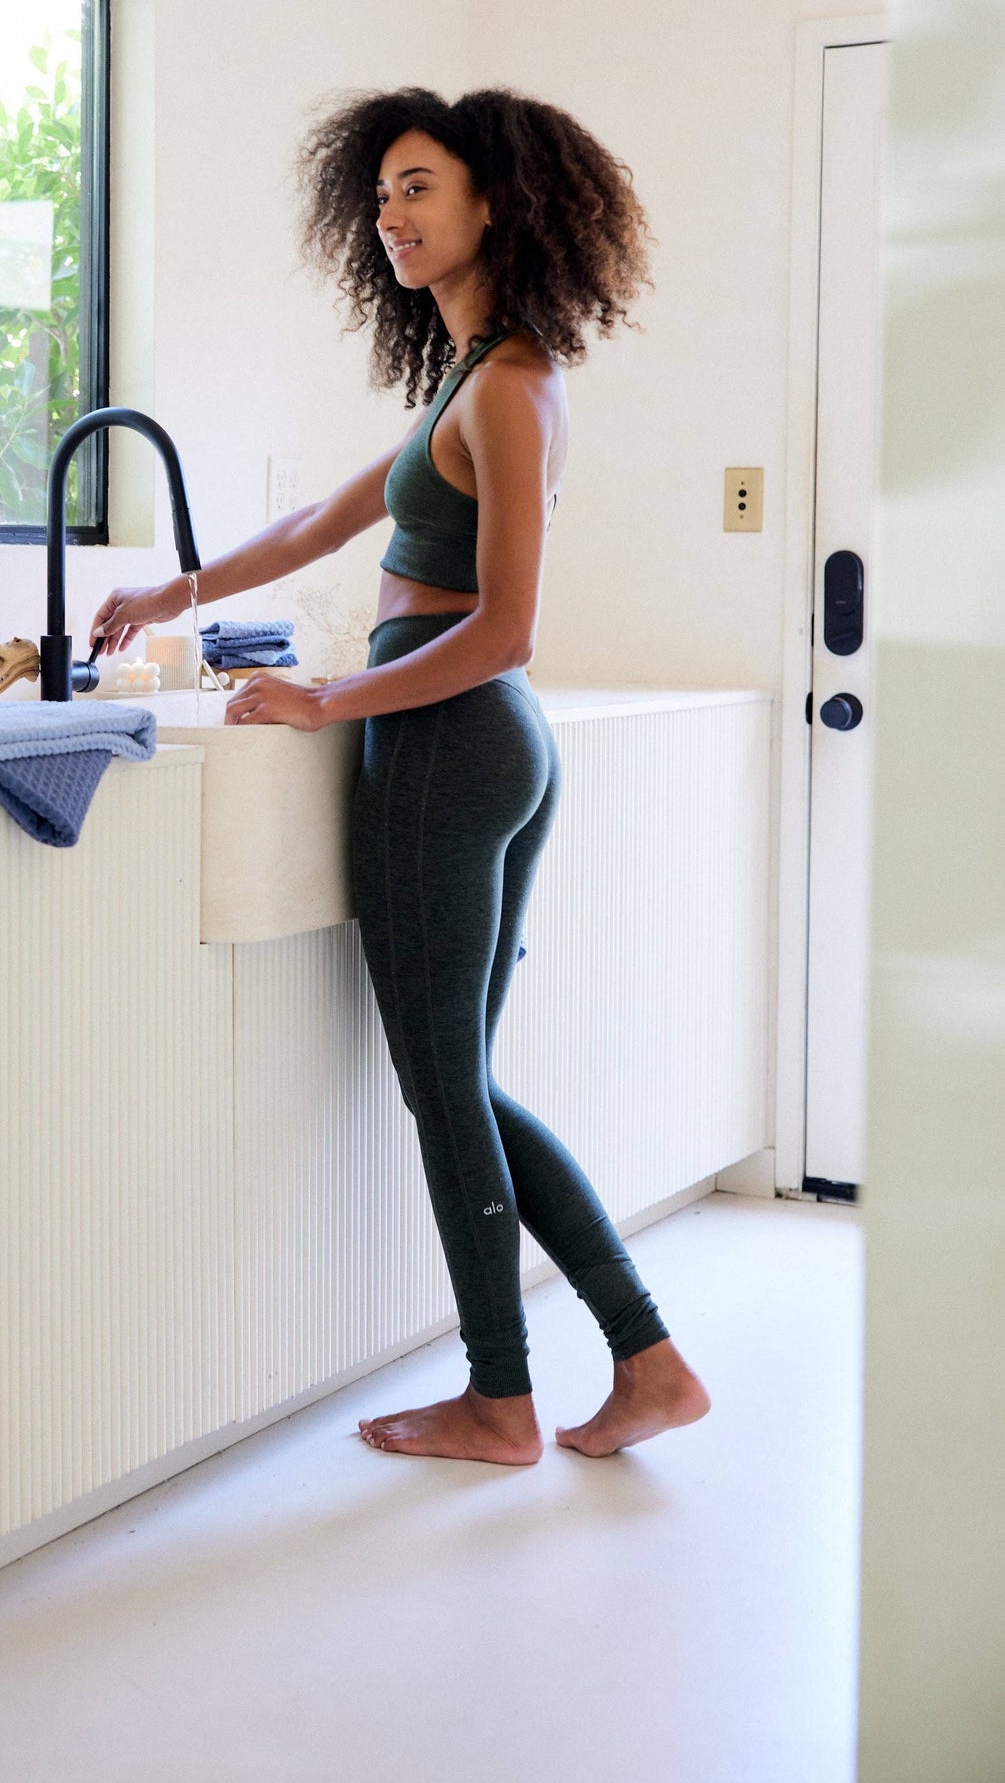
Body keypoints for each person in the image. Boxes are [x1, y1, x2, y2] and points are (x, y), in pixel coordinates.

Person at [90, 86, 710, 1465]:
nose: (391, 215)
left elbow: (503, 626)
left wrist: (330, 698)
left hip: (448, 736)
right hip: (470, 738)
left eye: (419, 187)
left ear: (495, 202)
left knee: (444, 1086)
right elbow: (323, 518)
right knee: (460, 1083)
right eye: (379, 195)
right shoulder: (474, 371)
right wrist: (168, 592)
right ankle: (646, 1359)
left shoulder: (504, 386)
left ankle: (501, 1399)